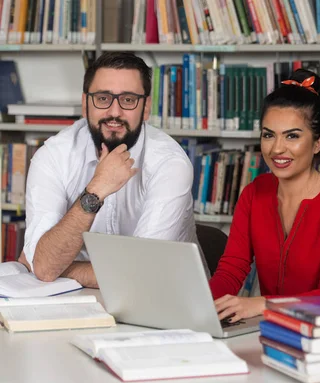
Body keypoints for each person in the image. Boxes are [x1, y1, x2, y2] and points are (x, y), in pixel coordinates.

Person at [19, 52, 203, 288]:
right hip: (75, 299)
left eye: (128, 100)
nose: (114, 112)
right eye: (103, 98)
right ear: (86, 103)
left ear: (145, 107)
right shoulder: (53, 156)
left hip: (165, 298)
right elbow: (45, 267)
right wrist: (95, 191)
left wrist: (59, 267)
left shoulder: (169, 164)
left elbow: (140, 275)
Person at [210, 69, 320, 323]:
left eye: (292, 136)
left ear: (318, 143)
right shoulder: (254, 193)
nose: (276, 149)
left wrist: (262, 304)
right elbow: (231, 270)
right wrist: (199, 305)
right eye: (268, 135)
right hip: (275, 326)